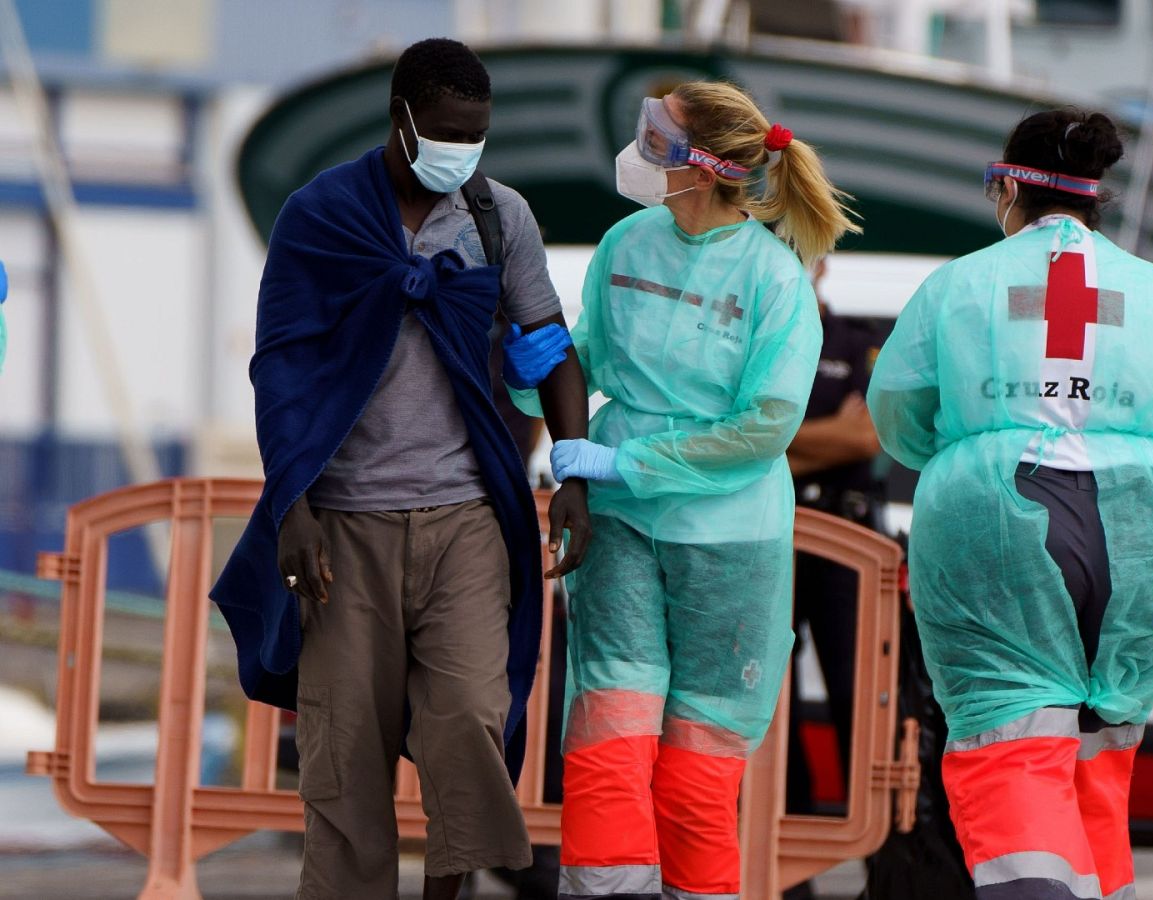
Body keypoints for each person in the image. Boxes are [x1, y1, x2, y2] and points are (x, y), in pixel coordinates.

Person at [212, 38, 592, 900]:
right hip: (344, 527)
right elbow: (282, 366)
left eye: (477, 135)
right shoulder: (320, 215)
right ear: (403, 119)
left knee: (469, 723)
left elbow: (550, 349)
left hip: (465, 519)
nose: (464, 151)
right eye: (449, 132)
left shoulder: (500, 218)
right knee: (345, 752)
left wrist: (573, 475)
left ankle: (448, 891)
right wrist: (291, 505)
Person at [503, 81, 855, 900]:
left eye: (657, 136)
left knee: (696, 782)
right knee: (608, 747)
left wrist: (622, 464)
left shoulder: (775, 279)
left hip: (728, 541)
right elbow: (589, 356)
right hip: (621, 526)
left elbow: (763, 429)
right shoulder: (626, 244)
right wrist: (531, 376)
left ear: (704, 167)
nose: (640, 146)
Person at [867, 109, 1153, 900]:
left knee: (1013, 751)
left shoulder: (960, 282)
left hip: (998, 521)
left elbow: (900, 414)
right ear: (1096, 196)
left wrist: (968, 448)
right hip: (1136, 530)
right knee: (1098, 758)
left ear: (1007, 187)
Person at [784, 255, 884, 828]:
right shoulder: (757, 340)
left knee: (858, 693)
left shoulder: (856, 342)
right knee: (772, 698)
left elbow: (866, 436)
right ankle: (784, 841)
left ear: (822, 261)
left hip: (847, 546)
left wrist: (777, 443)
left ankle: (876, 847)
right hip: (771, 534)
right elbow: (733, 440)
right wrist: (829, 437)